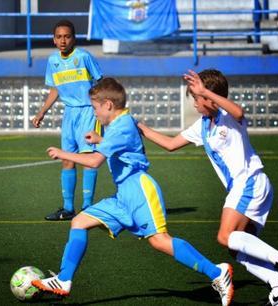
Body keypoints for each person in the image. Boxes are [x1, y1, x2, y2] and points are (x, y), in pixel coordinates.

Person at [32, 77, 235, 306]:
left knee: (160, 241)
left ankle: (217, 273)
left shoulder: (122, 124)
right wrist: (100, 140)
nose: (94, 113)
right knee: (79, 221)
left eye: (95, 107)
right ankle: (64, 280)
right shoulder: (119, 124)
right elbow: (120, 148)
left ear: (108, 104)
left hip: (140, 190)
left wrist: (63, 154)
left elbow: (94, 161)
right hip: (123, 195)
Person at [137, 69, 278, 306]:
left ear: (209, 97)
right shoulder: (203, 125)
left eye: (197, 98)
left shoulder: (227, 115)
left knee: (225, 236)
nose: (195, 104)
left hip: (248, 182)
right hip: (248, 187)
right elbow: (171, 144)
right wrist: (139, 127)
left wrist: (205, 91)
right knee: (237, 247)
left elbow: (239, 111)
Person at [32, 20, 103, 221]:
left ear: (74, 38)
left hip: (88, 112)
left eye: (67, 36)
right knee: (67, 159)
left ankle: (87, 208)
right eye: (59, 37)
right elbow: (55, 89)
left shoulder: (83, 57)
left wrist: (102, 110)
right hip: (69, 113)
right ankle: (68, 208)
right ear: (54, 40)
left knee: (88, 160)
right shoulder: (53, 61)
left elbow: (101, 82)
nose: (63, 40)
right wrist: (42, 112)